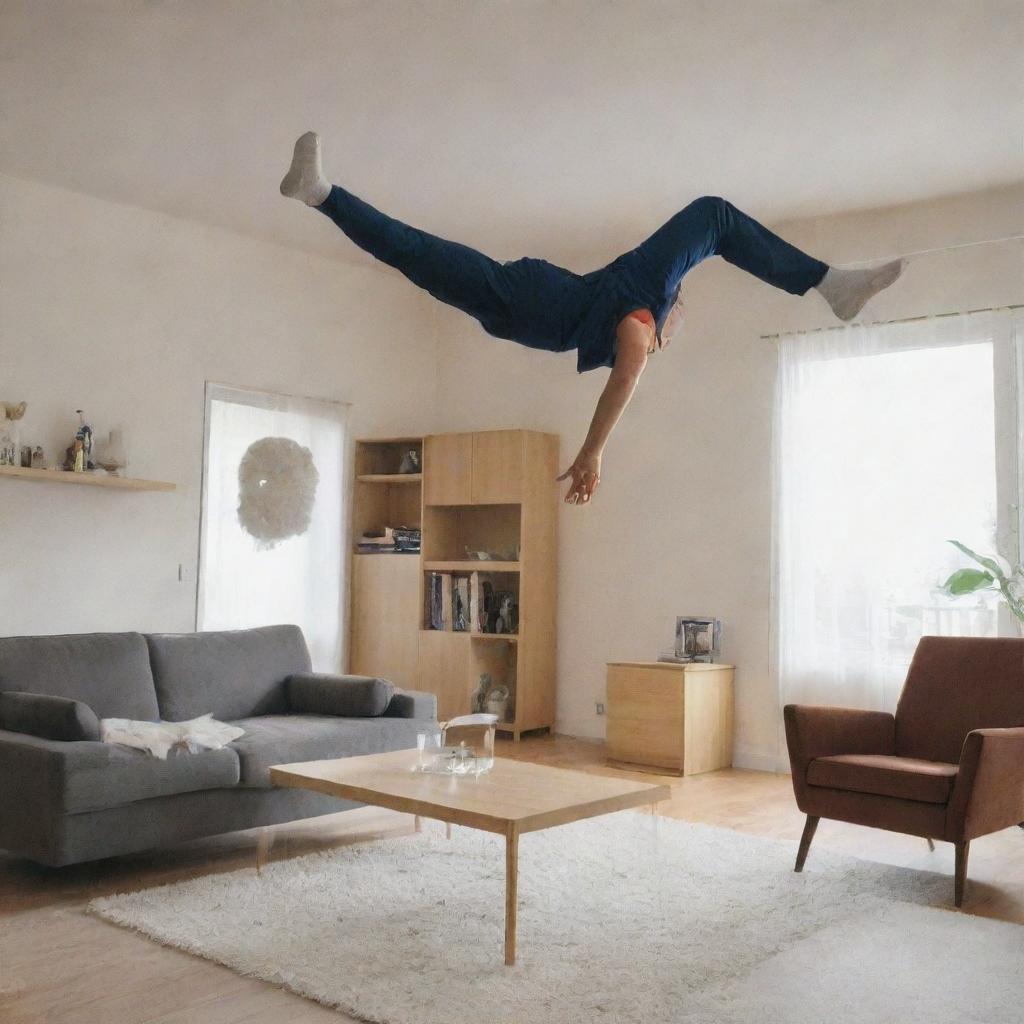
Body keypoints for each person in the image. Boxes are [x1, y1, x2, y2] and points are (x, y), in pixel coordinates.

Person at [281, 132, 904, 505]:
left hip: (521, 301)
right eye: (679, 306)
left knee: (414, 250)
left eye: (676, 315)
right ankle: (829, 283)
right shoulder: (647, 295)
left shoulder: (639, 314)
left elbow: (625, 379)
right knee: (713, 221)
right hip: (526, 306)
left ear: (661, 329)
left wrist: (593, 453)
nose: (682, 305)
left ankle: (323, 195)